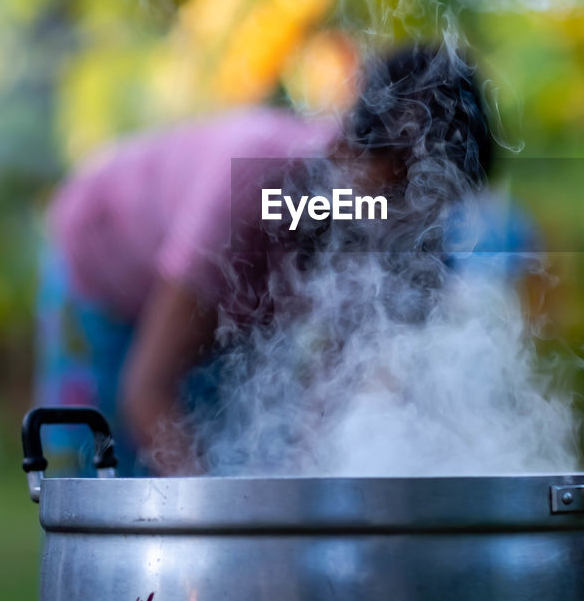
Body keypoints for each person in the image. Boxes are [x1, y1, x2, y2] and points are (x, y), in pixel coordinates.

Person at [36, 44, 499, 474]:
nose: (414, 221)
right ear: (354, 151)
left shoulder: (369, 225)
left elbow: (326, 399)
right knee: (107, 475)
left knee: (232, 452)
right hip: (101, 268)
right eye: (408, 194)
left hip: (211, 309)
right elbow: (146, 393)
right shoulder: (255, 178)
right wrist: (220, 530)